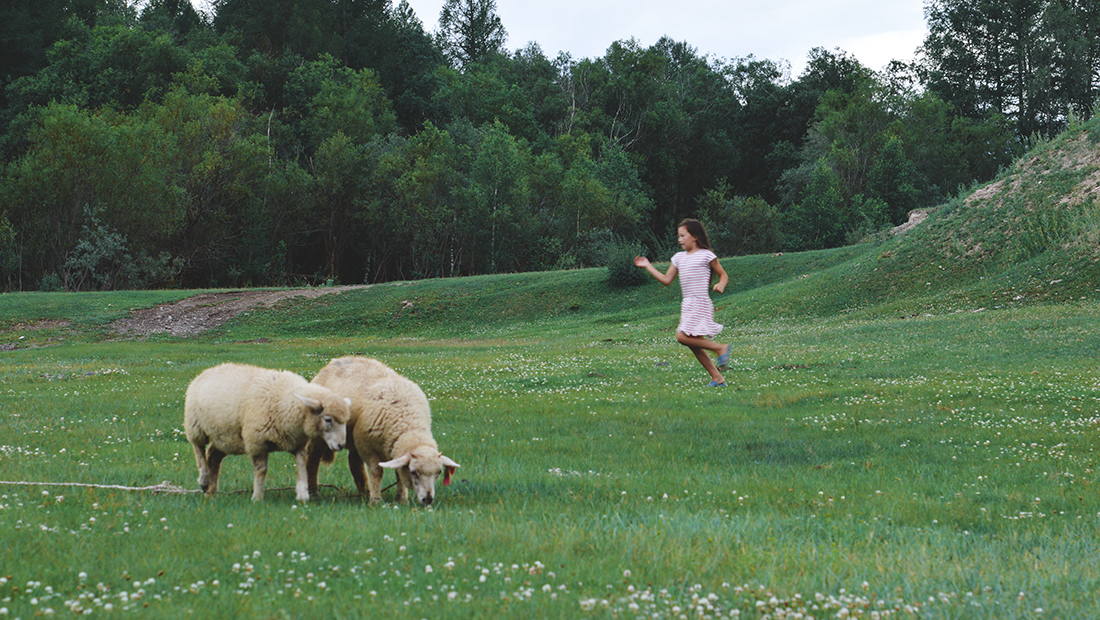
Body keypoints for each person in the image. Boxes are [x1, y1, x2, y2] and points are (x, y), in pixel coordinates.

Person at [634, 219, 732, 387]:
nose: (679, 240)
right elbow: (666, 280)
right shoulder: (678, 258)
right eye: (678, 236)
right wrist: (648, 266)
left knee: (681, 337)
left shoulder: (706, 255)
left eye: (682, 236)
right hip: (687, 304)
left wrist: (720, 285)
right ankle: (718, 378)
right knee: (694, 344)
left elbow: (723, 275)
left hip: (700, 302)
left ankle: (720, 348)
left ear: (694, 236)